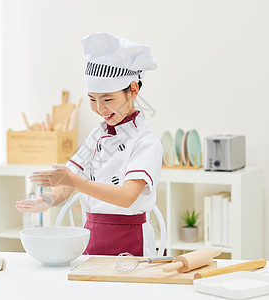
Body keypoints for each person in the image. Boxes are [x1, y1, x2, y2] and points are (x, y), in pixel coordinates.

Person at [15, 32, 162, 257]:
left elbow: (126, 196)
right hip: (89, 239)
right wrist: (49, 199)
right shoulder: (97, 134)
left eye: (107, 99)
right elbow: (71, 179)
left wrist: (74, 181)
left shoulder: (146, 142)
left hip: (131, 243)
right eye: (92, 99)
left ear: (133, 90)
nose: (100, 109)